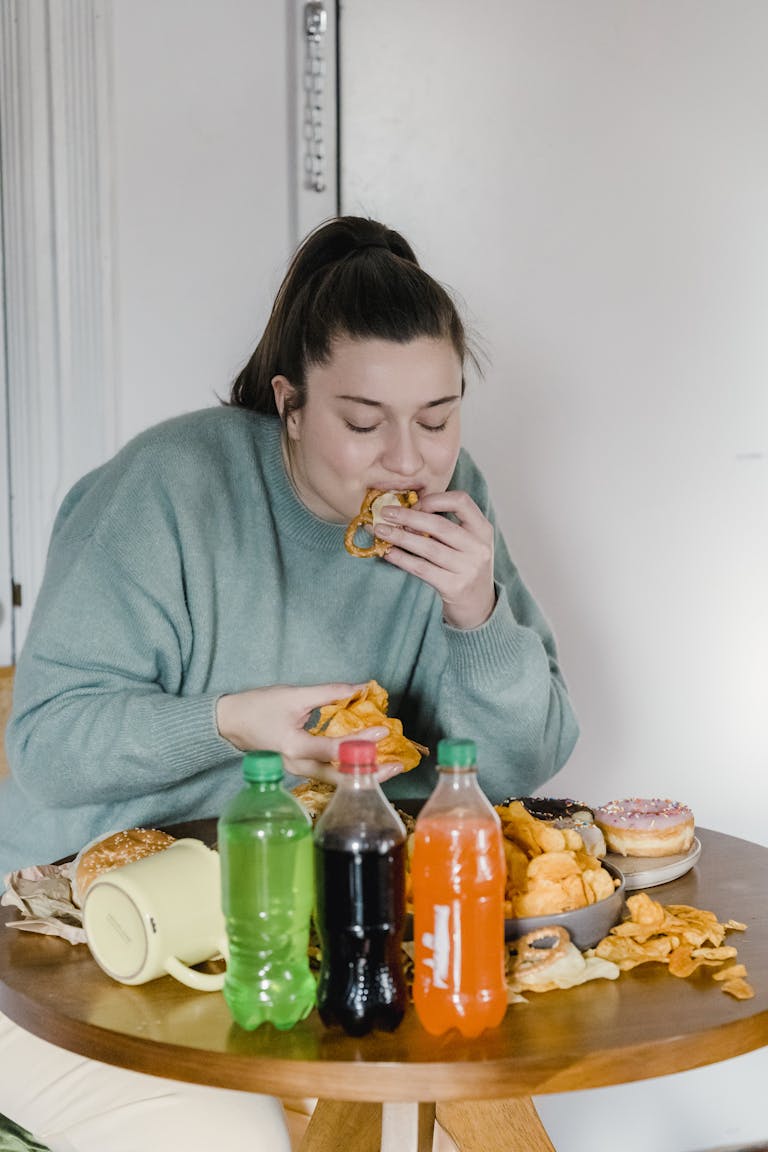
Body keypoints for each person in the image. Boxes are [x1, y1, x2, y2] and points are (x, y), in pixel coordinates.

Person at [0, 215, 578, 1149]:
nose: (409, 460)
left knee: (469, 1076)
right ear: (290, 402)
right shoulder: (169, 487)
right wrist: (230, 723)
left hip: (295, 934)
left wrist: (478, 613)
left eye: (437, 417)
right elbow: (47, 749)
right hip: (63, 943)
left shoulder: (449, 497)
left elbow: (514, 767)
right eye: (362, 422)